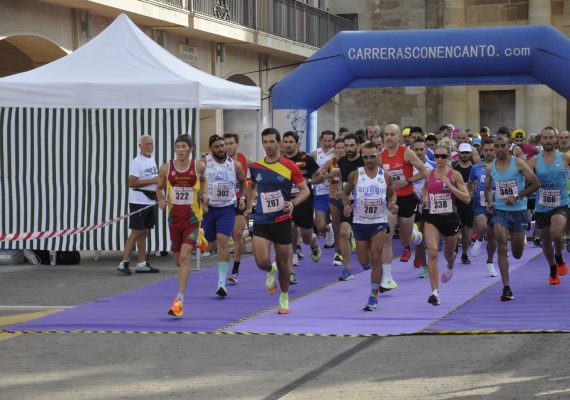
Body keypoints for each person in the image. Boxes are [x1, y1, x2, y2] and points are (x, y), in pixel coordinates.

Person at [245, 128, 309, 315]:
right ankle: (269, 270)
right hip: (262, 220)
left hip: (282, 220)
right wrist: (249, 206)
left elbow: (305, 190)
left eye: (272, 141)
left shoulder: (289, 166)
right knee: (261, 261)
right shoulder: (256, 167)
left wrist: (293, 203)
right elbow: (251, 187)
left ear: (279, 143)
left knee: (284, 263)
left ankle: (284, 297)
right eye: (265, 142)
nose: (269, 146)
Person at [342, 142, 398, 311]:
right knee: (364, 261)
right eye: (365, 157)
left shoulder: (385, 176)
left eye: (372, 156)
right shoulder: (355, 175)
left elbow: (392, 192)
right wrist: (346, 204)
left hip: (378, 222)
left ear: (378, 155)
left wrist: (393, 203)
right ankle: (376, 274)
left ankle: (373, 296)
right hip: (360, 223)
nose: (369, 160)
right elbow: (345, 193)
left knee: (375, 257)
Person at [156, 134, 207, 317]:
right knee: (177, 259)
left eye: (184, 146)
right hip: (174, 220)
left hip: (192, 219)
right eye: (177, 146)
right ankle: (200, 238)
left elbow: (203, 180)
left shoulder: (198, 166)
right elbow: (159, 188)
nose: (180, 150)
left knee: (185, 257)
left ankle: (179, 300)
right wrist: (161, 200)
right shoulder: (165, 168)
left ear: (190, 149)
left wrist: (204, 195)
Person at [485, 135, 539, 302]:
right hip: (500, 211)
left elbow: (536, 183)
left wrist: (516, 197)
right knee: (501, 245)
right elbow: (487, 189)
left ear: (508, 147)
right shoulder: (490, 167)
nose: (499, 149)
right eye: (497, 147)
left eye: (502, 146)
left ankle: (516, 245)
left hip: (519, 211)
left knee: (516, 253)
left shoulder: (518, 163)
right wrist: (489, 201)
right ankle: (506, 287)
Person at [420, 139, 471, 306]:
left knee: (449, 255)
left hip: (450, 218)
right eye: (436, 156)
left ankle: (450, 266)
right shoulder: (429, 173)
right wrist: (424, 200)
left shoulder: (454, 175)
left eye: (443, 156)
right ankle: (435, 292)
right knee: (433, 253)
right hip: (432, 217)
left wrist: (450, 186)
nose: (439, 159)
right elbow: (426, 188)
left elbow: (466, 198)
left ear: (449, 157)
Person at [380, 123, 426, 290]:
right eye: (386, 134)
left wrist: (407, 180)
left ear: (399, 136)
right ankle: (387, 278)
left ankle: (416, 236)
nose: (389, 137)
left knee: (406, 240)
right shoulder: (382, 155)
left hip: (407, 200)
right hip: (391, 200)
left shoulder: (406, 152)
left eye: (392, 134)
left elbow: (424, 172)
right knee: (387, 236)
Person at [202, 134, 246, 297]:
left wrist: (242, 197)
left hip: (227, 208)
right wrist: (201, 196)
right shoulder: (204, 163)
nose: (222, 149)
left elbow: (242, 182)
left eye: (223, 146)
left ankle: (221, 283)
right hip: (209, 209)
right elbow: (196, 180)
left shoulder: (234, 165)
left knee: (223, 241)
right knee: (210, 245)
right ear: (210, 149)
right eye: (217, 146)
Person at [527, 127, 570, 285]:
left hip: (561, 203)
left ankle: (559, 256)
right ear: (541, 140)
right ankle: (552, 268)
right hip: (542, 206)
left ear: (556, 139)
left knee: (557, 233)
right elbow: (523, 177)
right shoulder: (533, 161)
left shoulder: (564, 158)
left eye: (551, 138)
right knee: (545, 240)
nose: (548, 141)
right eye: (545, 138)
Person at [283, 131, 324, 279]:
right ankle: (291, 264)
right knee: (291, 227)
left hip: (305, 201)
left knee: (306, 237)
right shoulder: (280, 160)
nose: (288, 145)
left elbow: (320, 175)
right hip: (287, 202)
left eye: (290, 142)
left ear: (297, 144)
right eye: (285, 142)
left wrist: (309, 182)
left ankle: (313, 242)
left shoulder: (305, 158)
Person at [118, 134, 160, 275]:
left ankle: (141, 263)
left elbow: (154, 180)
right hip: (138, 201)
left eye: (151, 144)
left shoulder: (151, 159)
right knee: (136, 232)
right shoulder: (137, 162)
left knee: (145, 232)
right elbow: (132, 182)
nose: (149, 146)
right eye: (146, 144)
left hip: (149, 201)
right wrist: (153, 181)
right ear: (140, 146)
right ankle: (124, 262)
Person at [223, 132, 252, 284]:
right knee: (231, 237)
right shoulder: (219, 161)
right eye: (225, 144)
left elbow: (257, 174)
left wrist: (250, 200)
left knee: (237, 233)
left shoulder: (244, 159)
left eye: (230, 143)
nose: (227, 147)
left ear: (237, 144)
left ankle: (235, 271)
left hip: (240, 201)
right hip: (224, 202)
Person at [468, 139, 498, 277]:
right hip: (480, 204)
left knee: (492, 238)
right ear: (481, 152)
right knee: (482, 226)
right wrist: (469, 194)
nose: (489, 152)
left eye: (491, 150)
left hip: (497, 205)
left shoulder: (501, 166)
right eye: (486, 150)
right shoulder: (476, 168)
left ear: (496, 151)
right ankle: (479, 238)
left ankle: (490, 262)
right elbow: (470, 182)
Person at [337, 133, 364, 281]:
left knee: (365, 241)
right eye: (346, 146)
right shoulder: (342, 161)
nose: (348, 148)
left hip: (365, 205)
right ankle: (347, 269)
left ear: (358, 146)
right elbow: (343, 180)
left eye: (352, 145)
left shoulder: (365, 160)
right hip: (349, 203)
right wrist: (341, 193)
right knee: (343, 232)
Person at [318, 137, 346, 266]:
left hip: (349, 199)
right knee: (336, 227)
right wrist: (329, 175)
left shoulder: (353, 162)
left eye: (343, 147)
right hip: (333, 197)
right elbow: (318, 176)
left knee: (348, 228)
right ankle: (337, 253)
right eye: (338, 148)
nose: (341, 150)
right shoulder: (330, 162)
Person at [411, 138, 435, 278]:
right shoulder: (407, 167)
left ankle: (432, 263)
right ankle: (425, 267)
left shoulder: (432, 166)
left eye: (421, 149)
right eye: (416, 149)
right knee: (418, 237)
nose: (419, 152)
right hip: (413, 206)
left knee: (430, 237)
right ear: (412, 151)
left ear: (426, 150)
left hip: (429, 206)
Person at [310, 130, 336, 249]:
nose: (327, 143)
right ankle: (330, 230)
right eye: (325, 140)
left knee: (336, 220)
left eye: (329, 141)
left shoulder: (337, 154)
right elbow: (308, 171)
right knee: (321, 226)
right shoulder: (315, 154)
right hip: (319, 192)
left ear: (333, 141)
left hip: (334, 191)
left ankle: (337, 242)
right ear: (321, 141)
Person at [452, 143, 475, 265]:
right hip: (455, 202)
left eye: (467, 153)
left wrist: (472, 194)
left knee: (466, 230)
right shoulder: (453, 167)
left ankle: (464, 254)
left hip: (469, 204)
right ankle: (454, 250)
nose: (465, 155)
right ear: (458, 153)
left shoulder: (474, 168)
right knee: (455, 228)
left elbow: (477, 186)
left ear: (470, 154)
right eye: (462, 153)